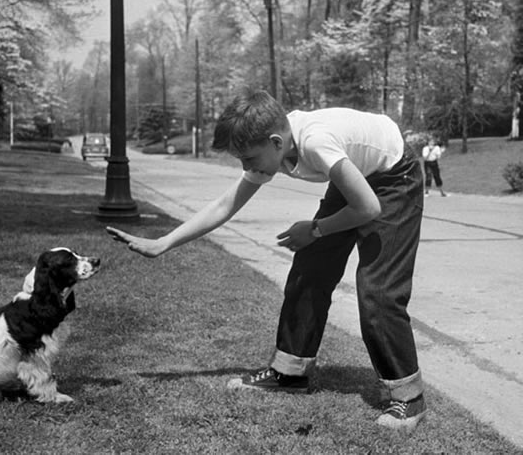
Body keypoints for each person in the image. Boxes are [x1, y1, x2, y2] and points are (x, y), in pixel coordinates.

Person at [106, 90, 427, 431]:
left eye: (248, 159)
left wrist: (315, 229)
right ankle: (289, 373)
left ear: (276, 142)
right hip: (355, 172)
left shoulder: (317, 144)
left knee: (377, 290)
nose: (247, 168)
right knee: (310, 270)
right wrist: (163, 243)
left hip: (394, 177)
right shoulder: (277, 146)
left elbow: (369, 208)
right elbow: (224, 205)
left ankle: (408, 397)